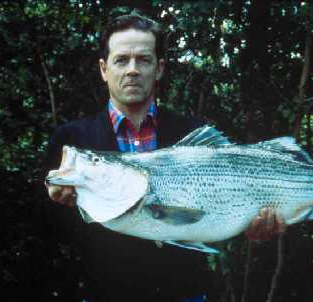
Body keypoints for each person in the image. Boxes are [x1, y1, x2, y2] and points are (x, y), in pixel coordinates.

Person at [44, 10, 285, 302]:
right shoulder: (72, 141)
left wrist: (257, 229)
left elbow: (228, 212)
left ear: (159, 69)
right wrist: (54, 197)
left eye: (143, 60)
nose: (132, 69)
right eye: (121, 60)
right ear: (103, 69)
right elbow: (45, 229)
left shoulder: (194, 134)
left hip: (187, 294)